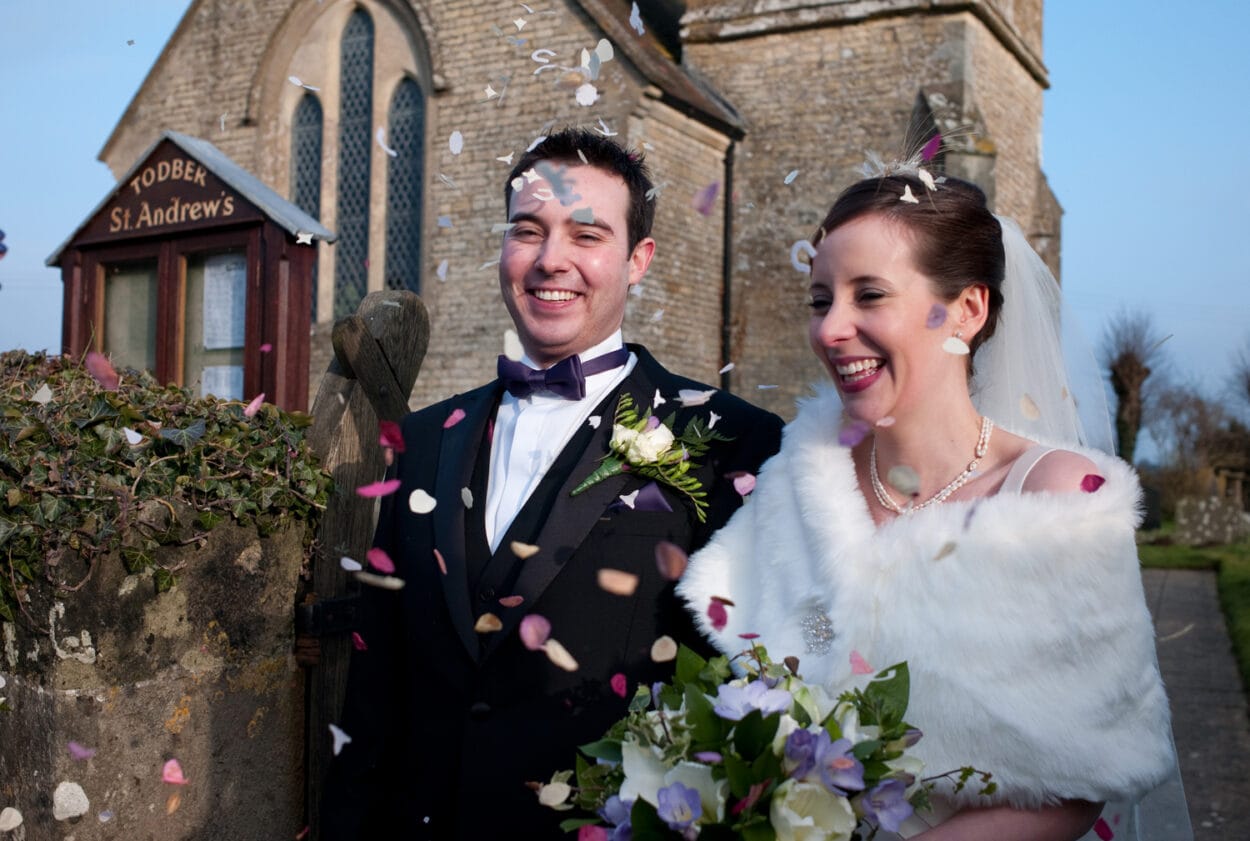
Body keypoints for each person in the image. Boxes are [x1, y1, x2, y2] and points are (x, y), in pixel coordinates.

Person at [677, 170, 1182, 840]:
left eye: (870, 295)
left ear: (968, 310)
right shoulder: (800, 480)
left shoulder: (1054, 497)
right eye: (820, 299)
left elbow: (1084, 775)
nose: (831, 329)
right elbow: (762, 672)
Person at [320, 128, 784, 839]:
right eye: (527, 230)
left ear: (638, 261)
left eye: (586, 234)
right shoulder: (419, 441)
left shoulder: (731, 441)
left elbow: (743, 684)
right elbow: (377, 685)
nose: (549, 259)